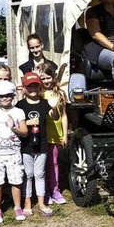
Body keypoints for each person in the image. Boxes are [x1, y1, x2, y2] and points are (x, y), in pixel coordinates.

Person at [0, 80, 28, 224]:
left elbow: (25, 132)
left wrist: (14, 128)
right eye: (1, 96)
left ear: (13, 95)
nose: (5, 98)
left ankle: (18, 207)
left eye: (8, 95)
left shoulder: (18, 112)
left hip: (14, 153)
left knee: (16, 181)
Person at [16, 72, 60, 216]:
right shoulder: (20, 105)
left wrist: (54, 108)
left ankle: (41, 203)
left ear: (40, 87)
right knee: (27, 174)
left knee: (39, 174)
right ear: (24, 88)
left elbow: (55, 116)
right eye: (29, 87)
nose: (33, 89)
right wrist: (27, 123)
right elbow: (15, 122)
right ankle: (27, 202)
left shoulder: (44, 103)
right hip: (25, 145)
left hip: (41, 144)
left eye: (36, 86)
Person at [37, 64, 68, 204]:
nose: (46, 81)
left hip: (56, 133)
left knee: (54, 163)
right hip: (43, 134)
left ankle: (55, 190)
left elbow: (64, 115)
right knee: (42, 164)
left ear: (53, 77)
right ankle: (45, 192)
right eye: (43, 78)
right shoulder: (38, 94)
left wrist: (65, 134)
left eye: (48, 77)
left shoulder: (60, 94)